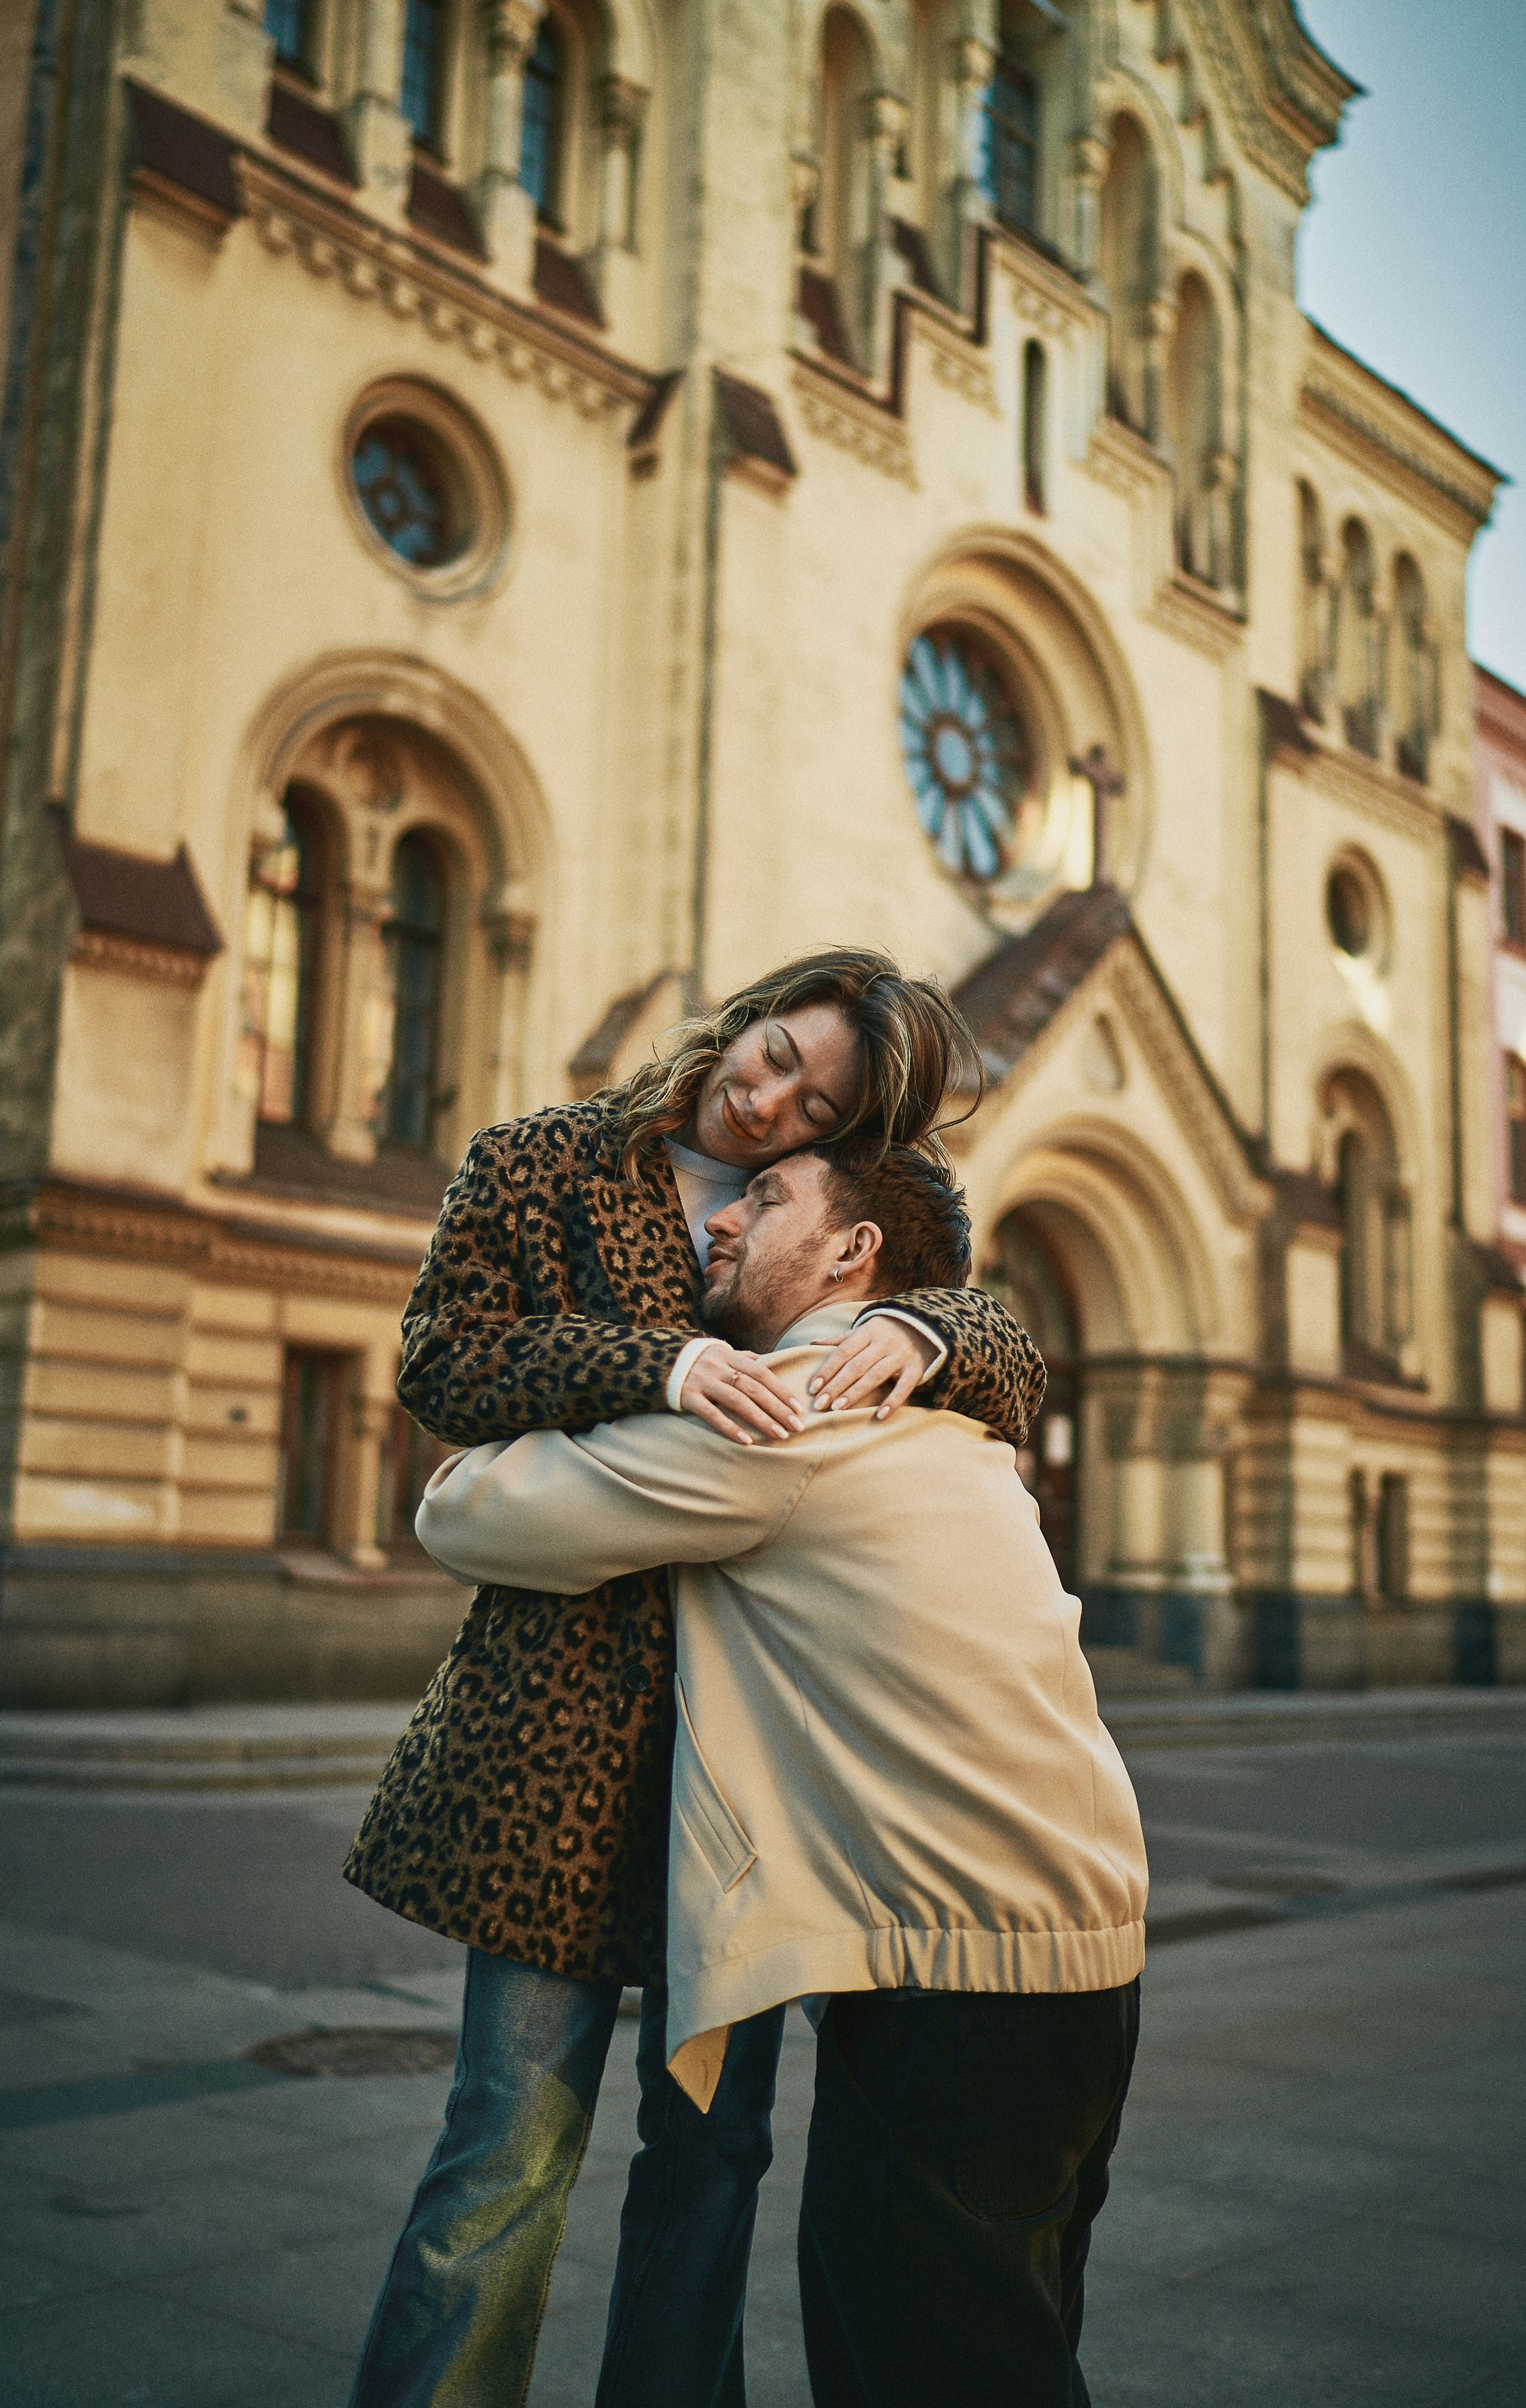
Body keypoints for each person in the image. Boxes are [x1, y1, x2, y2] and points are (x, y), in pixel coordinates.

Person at [344, 949, 1045, 2408]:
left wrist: (925, 1323)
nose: (768, 1099)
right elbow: (442, 1366)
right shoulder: (541, 1160)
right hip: (551, 1745)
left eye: (815, 1105)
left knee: (712, 2164)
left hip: (743, 1771)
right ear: (748, 1018)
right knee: (503, 2152)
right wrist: (656, 1366)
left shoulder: (849, 1207)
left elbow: (998, 1348)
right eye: (774, 1052)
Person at [416, 1140, 1148, 2408]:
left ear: (854, 1253)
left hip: (957, 1993)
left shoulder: (790, 1413)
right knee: (1011, 2357)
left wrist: (645, 1372)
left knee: (916, 2374)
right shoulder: (950, 1415)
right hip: (1087, 1976)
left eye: (764, 1199)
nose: (721, 1219)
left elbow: (462, 1508)